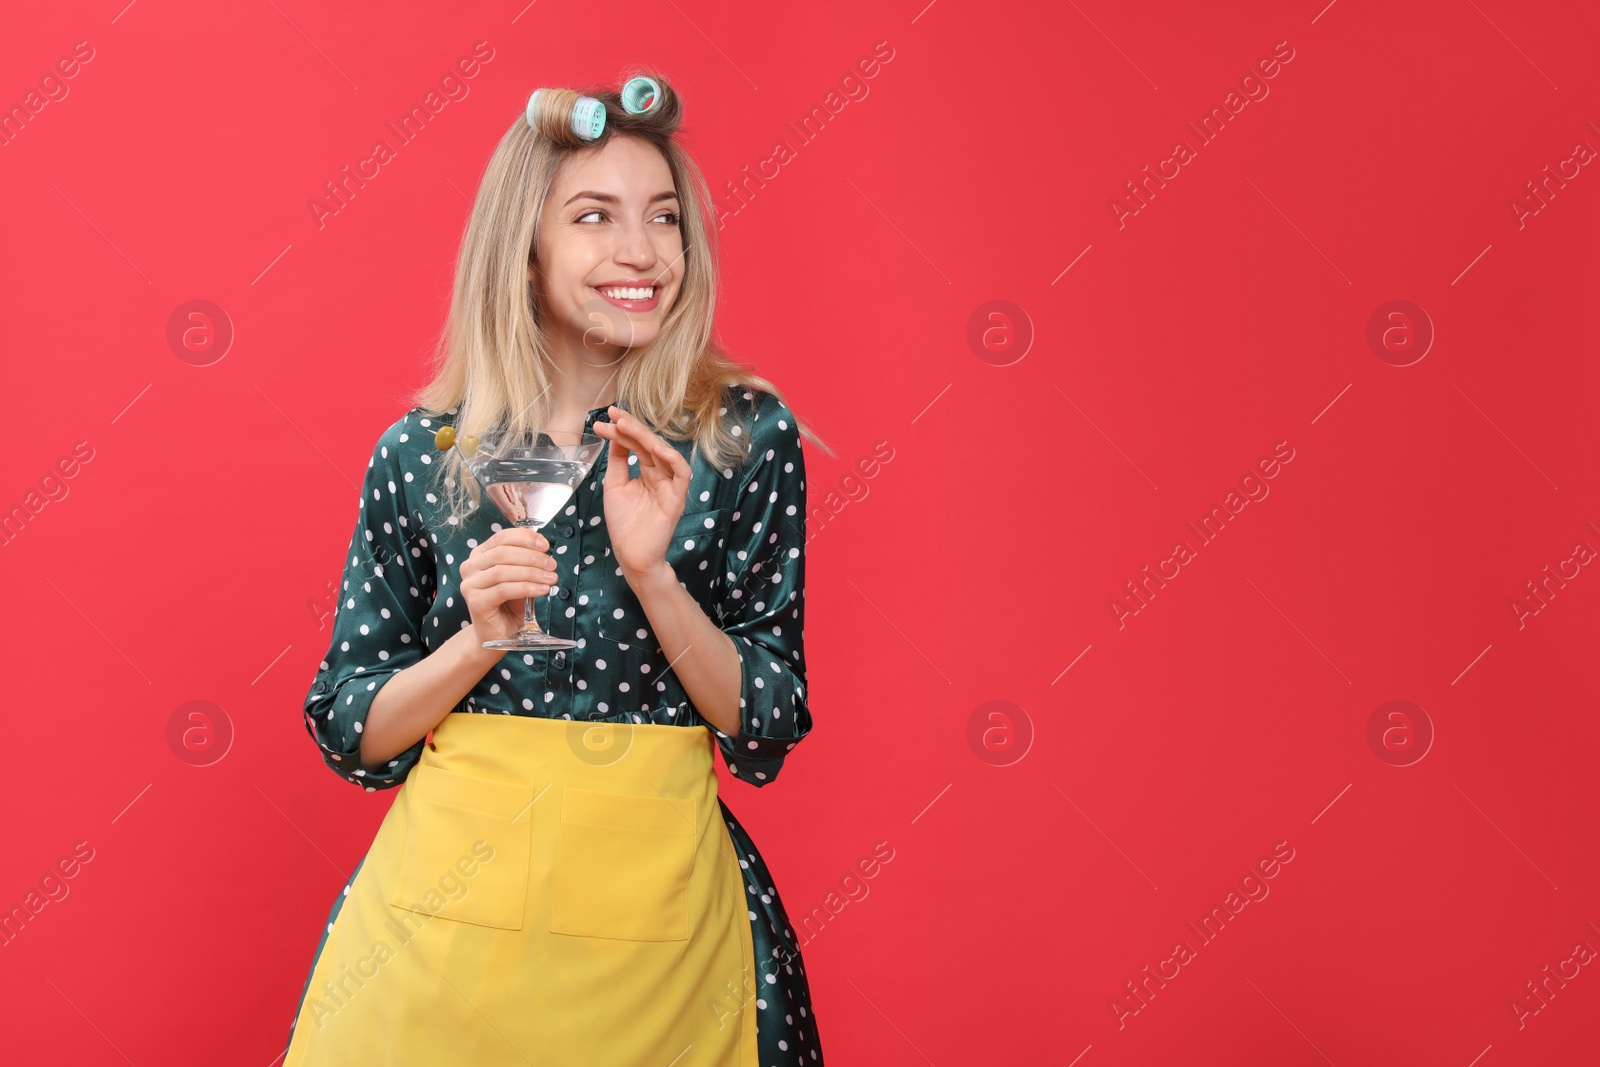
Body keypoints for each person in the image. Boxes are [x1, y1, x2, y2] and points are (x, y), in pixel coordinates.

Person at [282, 71, 827, 1066]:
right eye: (594, 216)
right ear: (523, 250)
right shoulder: (426, 451)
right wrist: (476, 640)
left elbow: (767, 719)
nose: (641, 252)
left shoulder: (740, 436)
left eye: (663, 218)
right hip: (440, 941)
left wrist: (655, 576)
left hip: (664, 936)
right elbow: (352, 727)